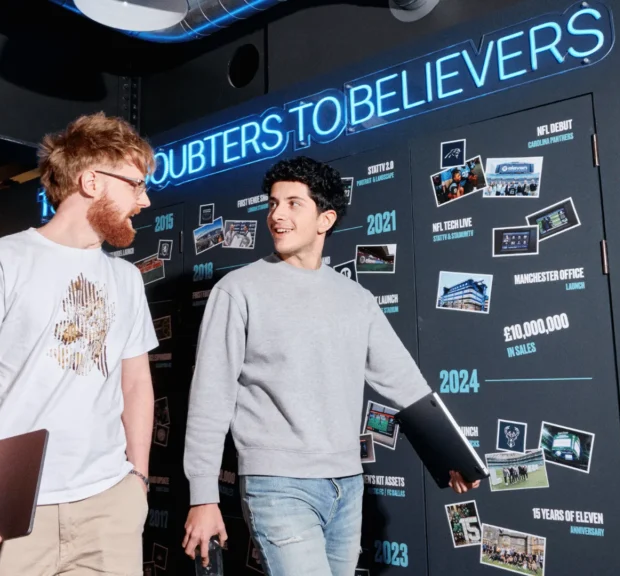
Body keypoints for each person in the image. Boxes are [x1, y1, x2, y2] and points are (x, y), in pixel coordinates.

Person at [182, 156, 480, 575]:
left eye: (293, 204)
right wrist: (203, 496)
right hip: (277, 486)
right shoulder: (238, 290)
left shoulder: (356, 298)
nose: (277, 215)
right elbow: (211, 398)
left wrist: (451, 454)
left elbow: (404, 382)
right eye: (273, 204)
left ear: (325, 219)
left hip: (348, 486)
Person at [0, 112, 160, 575]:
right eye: (135, 184)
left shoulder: (127, 278)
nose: (145, 200)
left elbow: (136, 385)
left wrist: (139, 480)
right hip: (3, 505)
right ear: (91, 181)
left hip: (109, 505)